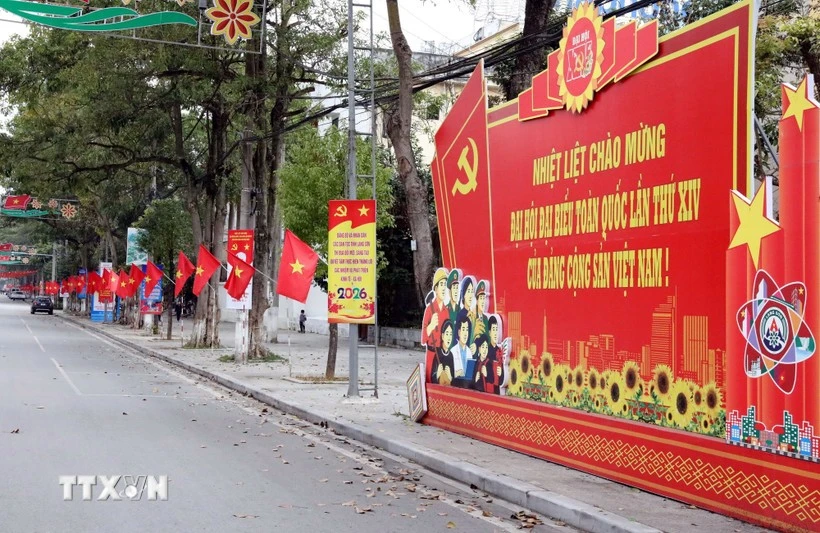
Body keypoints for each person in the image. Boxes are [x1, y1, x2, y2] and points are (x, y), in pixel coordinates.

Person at [421, 268, 449, 381]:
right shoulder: (430, 309)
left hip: (443, 354)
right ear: (436, 289)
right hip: (432, 353)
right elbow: (423, 338)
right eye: (441, 284)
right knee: (430, 379)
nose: (444, 288)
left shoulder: (446, 311)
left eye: (445, 285)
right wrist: (431, 325)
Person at [431, 319, 455, 386]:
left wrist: (450, 377)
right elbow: (431, 378)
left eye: (451, 334)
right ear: (442, 336)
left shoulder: (451, 355)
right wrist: (437, 374)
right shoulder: (437, 354)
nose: (449, 338)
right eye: (447, 334)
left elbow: (453, 380)